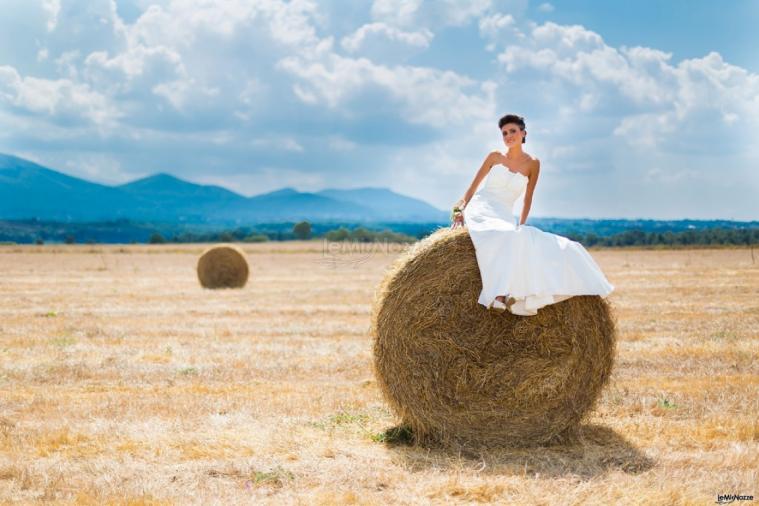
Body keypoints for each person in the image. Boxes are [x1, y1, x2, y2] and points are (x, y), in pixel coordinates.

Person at [450, 114, 614, 316]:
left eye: (513, 131)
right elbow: (472, 188)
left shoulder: (533, 164)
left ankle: (508, 292)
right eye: (504, 133)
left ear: (523, 133)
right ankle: (498, 294)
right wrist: (460, 209)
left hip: (504, 212)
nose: (508, 136)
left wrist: (522, 224)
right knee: (496, 235)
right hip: (482, 207)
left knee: (517, 237)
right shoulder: (494, 156)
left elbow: (528, 198)